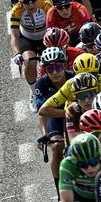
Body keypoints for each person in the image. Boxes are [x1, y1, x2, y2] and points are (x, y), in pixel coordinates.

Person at [31, 47, 72, 182]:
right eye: (50, 69)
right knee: (56, 148)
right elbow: (42, 113)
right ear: (45, 70)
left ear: (64, 65)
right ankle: (59, 192)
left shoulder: (74, 78)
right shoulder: (41, 84)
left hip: (75, 116)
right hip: (55, 119)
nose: (55, 72)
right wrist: (44, 134)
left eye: (58, 67)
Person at [9, 0, 52, 84]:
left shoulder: (46, 5)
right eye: (26, 2)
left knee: (51, 62)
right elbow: (14, 36)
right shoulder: (16, 10)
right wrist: (17, 54)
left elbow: (54, 26)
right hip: (27, 39)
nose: (31, 4)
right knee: (30, 62)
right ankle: (33, 93)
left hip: (45, 37)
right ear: (20, 1)